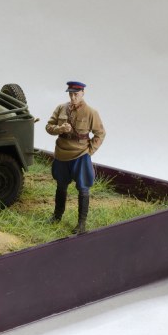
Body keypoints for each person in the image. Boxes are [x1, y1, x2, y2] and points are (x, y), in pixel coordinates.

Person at [45, 81, 106, 234]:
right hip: (62, 153)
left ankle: (81, 223)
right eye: (70, 94)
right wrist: (60, 128)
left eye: (76, 94)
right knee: (61, 185)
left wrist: (90, 150)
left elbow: (100, 133)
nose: (73, 97)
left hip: (80, 155)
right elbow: (49, 127)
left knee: (83, 188)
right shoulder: (61, 108)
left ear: (83, 93)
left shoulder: (91, 112)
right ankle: (57, 216)